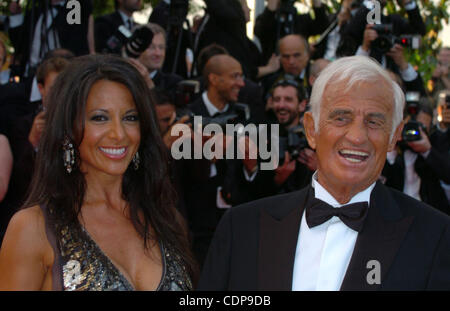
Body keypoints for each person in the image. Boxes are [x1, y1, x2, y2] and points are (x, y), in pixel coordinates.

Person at [198, 55, 450, 290]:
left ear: (394, 136)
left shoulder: (435, 237)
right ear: (311, 130)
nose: (357, 137)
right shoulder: (241, 228)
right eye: (341, 118)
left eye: (374, 122)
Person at [0, 55, 197, 290]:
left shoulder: (166, 220)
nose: (118, 133)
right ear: (68, 128)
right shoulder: (34, 228)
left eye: (130, 118)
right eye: (99, 118)